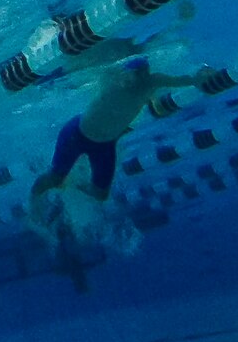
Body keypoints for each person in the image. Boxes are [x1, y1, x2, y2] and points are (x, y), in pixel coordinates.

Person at [30, 48, 212, 223]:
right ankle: (33, 207)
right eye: (128, 73)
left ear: (143, 73)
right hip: (76, 134)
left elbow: (182, 80)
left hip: (105, 145)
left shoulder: (152, 82)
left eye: (136, 74)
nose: (129, 79)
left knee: (100, 194)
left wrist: (198, 78)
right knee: (54, 178)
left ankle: (73, 186)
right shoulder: (110, 75)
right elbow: (84, 62)